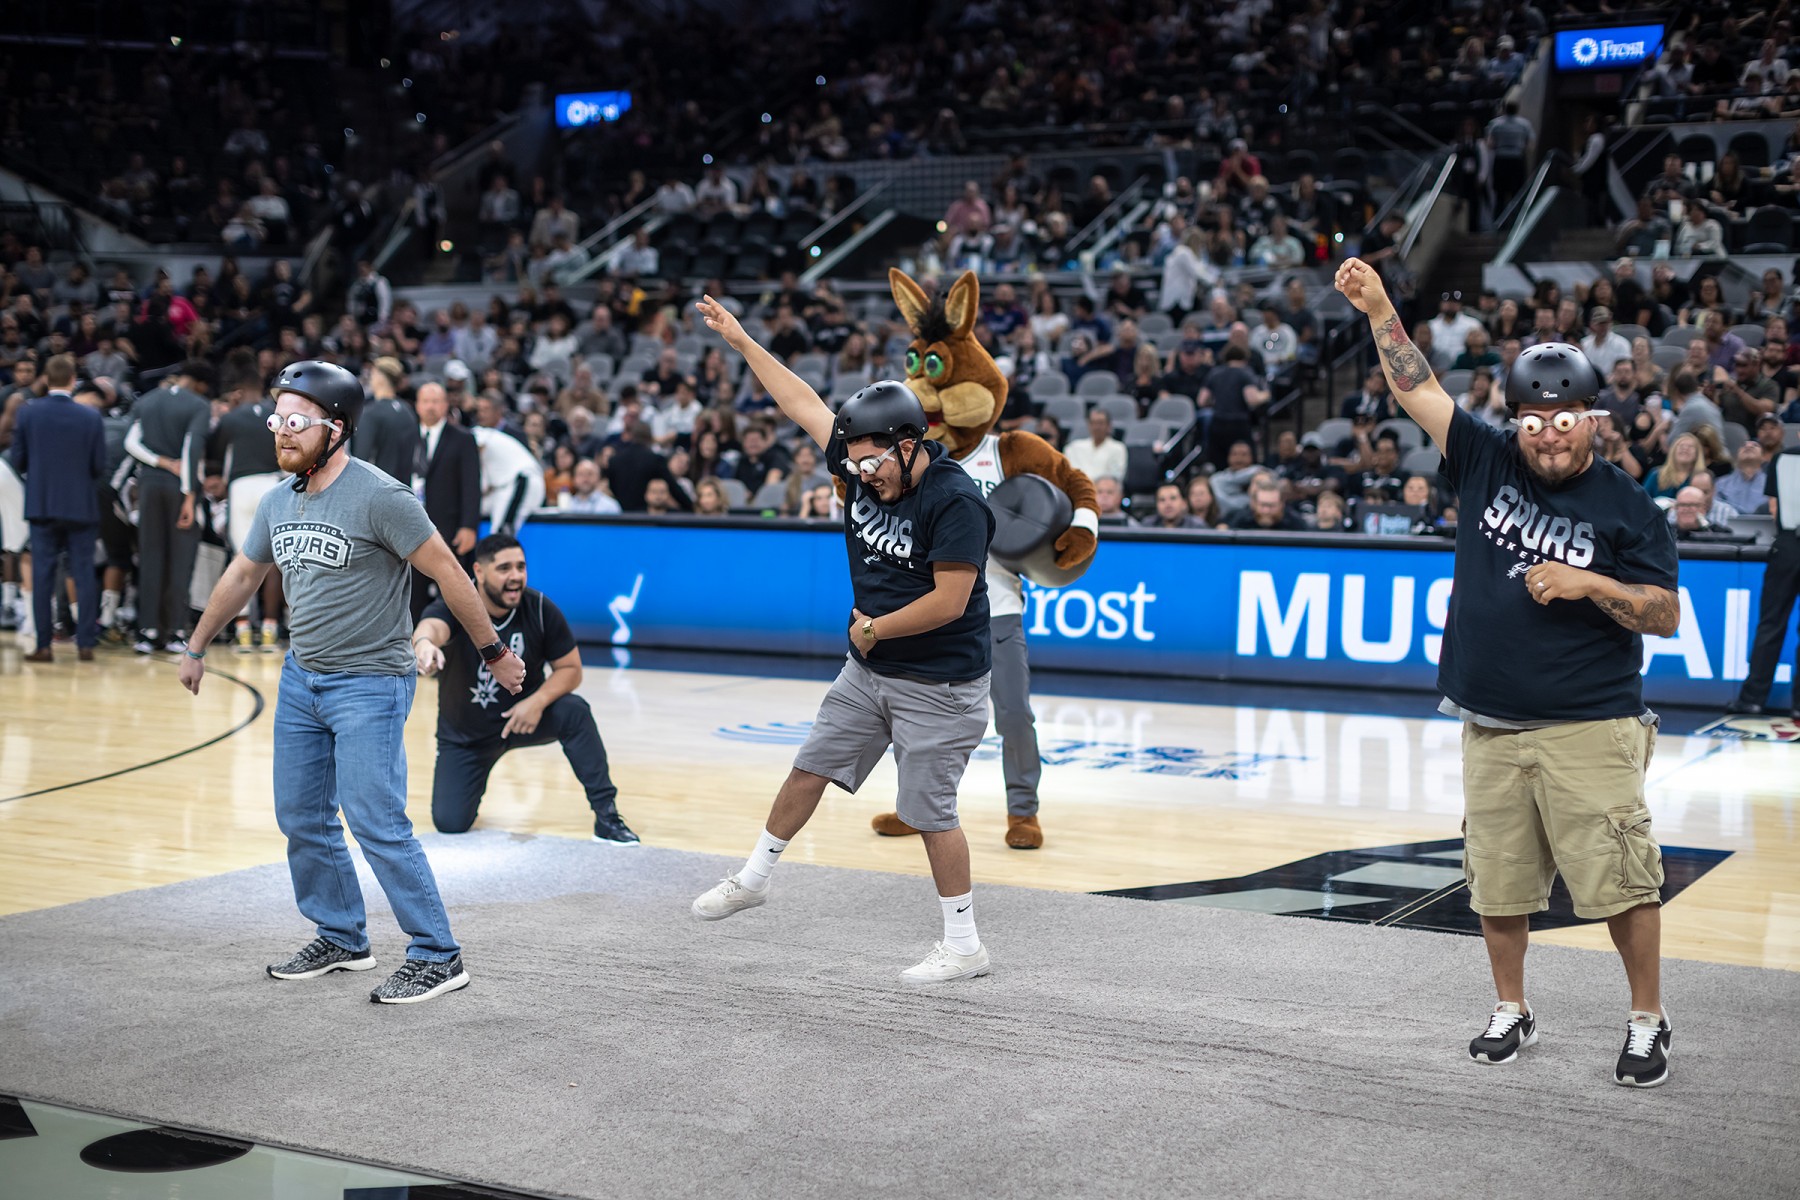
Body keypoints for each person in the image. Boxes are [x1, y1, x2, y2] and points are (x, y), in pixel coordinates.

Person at [1337, 257, 1680, 1088]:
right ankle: (1511, 1007)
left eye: (1563, 420)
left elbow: (1665, 615)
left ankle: (1648, 1020)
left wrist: (1592, 584)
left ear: (1592, 418)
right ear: (1516, 420)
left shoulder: (1630, 508)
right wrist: (1380, 308)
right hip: (1489, 722)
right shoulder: (1485, 458)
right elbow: (1417, 389)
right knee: (1497, 885)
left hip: (1591, 725)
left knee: (1624, 883)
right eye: (1533, 421)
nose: (1548, 435)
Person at [178, 360, 527, 1004]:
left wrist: (494, 652)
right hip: (301, 679)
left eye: (297, 422)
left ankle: (438, 954)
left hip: (370, 683)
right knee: (301, 816)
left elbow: (451, 574)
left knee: (376, 822)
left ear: (335, 429)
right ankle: (341, 935)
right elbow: (243, 574)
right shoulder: (278, 501)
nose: (282, 432)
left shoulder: (382, 497)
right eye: (278, 421)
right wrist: (197, 644)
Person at [691, 295, 997, 983]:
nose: (861, 476)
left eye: (872, 465)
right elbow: (801, 402)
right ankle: (754, 878)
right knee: (810, 767)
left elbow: (949, 602)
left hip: (942, 683)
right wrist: (742, 341)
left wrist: (874, 628)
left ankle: (965, 947)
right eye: (853, 464)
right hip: (871, 667)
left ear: (909, 444)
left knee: (930, 815)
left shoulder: (955, 502)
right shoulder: (865, 455)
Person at [413, 533, 636, 843]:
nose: (516, 576)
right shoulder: (456, 603)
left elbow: (571, 670)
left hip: (524, 720)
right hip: (467, 736)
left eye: (521, 567)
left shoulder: (540, 608)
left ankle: (607, 817)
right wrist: (424, 644)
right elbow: (431, 628)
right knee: (450, 822)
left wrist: (538, 701)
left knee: (574, 711)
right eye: (504, 568)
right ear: (479, 572)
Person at [8, 354, 104, 662]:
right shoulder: (91, 417)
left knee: (42, 576)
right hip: (80, 505)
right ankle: (86, 643)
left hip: (42, 503)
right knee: (83, 573)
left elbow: (18, 460)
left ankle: (43, 645)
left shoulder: (28, 412)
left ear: (46, 380)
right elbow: (99, 466)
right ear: (73, 380)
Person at [123, 359, 218, 653]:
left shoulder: (147, 400)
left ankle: (147, 631)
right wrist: (189, 495)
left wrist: (159, 462)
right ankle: (176, 631)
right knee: (181, 559)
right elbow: (191, 449)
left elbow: (131, 443)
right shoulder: (199, 405)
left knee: (150, 556)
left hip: (149, 485)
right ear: (199, 384)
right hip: (180, 488)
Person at [209, 375, 287, 653]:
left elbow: (215, 456)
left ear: (238, 393)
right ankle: (269, 630)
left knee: (241, 561)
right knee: (273, 561)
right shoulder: (277, 415)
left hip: (241, 487)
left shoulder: (231, 418)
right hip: (273, 484)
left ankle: (242, 631)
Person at [1727, 434, 1800, 718]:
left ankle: (1752, 700)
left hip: (1787, 545)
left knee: (1771, 623)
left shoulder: (1783, 458)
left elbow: (1774, 508)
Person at [411, 382, 481, 622]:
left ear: (445, 405)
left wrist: (469, 526)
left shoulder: (463, 438)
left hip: (449, 528)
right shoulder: (406, 437)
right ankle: (415, 641)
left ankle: (452, 639)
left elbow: (471, 486)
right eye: (426, 401)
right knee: (413, 594)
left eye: (436, 401)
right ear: (417, 405)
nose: (430, 407)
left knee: (452, 590)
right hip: (411, 528)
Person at [473, 425, 546, 537]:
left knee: (501, 533)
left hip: (523, 480)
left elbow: (479, 445)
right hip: (503, 487)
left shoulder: (476, 434)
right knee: (495, 530)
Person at [1063, 408, 1127, 482]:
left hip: (1103, 487)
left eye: (1100, 423)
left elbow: (1116, 476)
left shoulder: (1118, 448)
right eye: (1093, 423)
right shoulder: (1074, 447)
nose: (1096, 427)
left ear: (1109, 426)